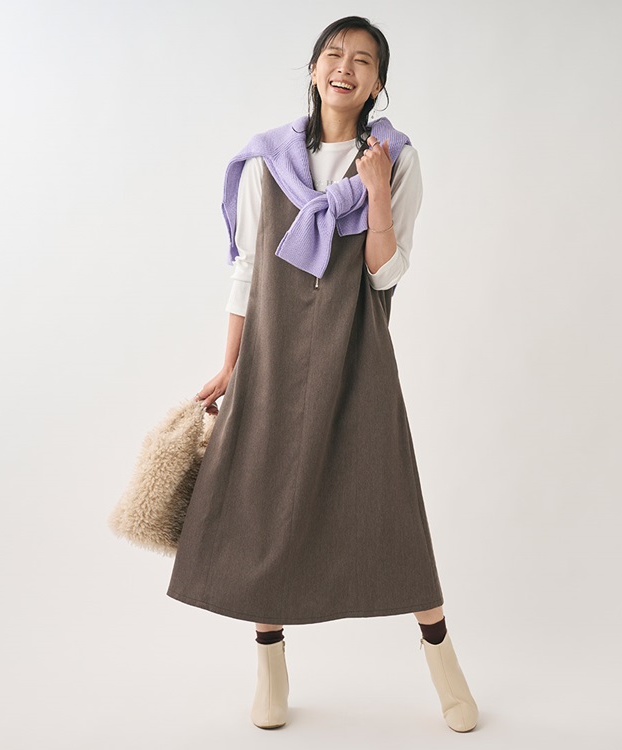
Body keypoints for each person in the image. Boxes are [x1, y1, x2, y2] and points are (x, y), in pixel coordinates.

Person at [166, 16, 479, 733]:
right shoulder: (265, 161)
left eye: (362, 60)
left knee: (387, 503)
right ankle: (271, 669)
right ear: (313, 69)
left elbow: (386, 273)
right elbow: (247, 270)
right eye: (334, 54)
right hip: (271, 355)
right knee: (264, 505)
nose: (345, 67)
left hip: (357, 351)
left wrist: (375, 192)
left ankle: (444, 664)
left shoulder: (394, 158)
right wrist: (230, 364)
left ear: (378, 83)